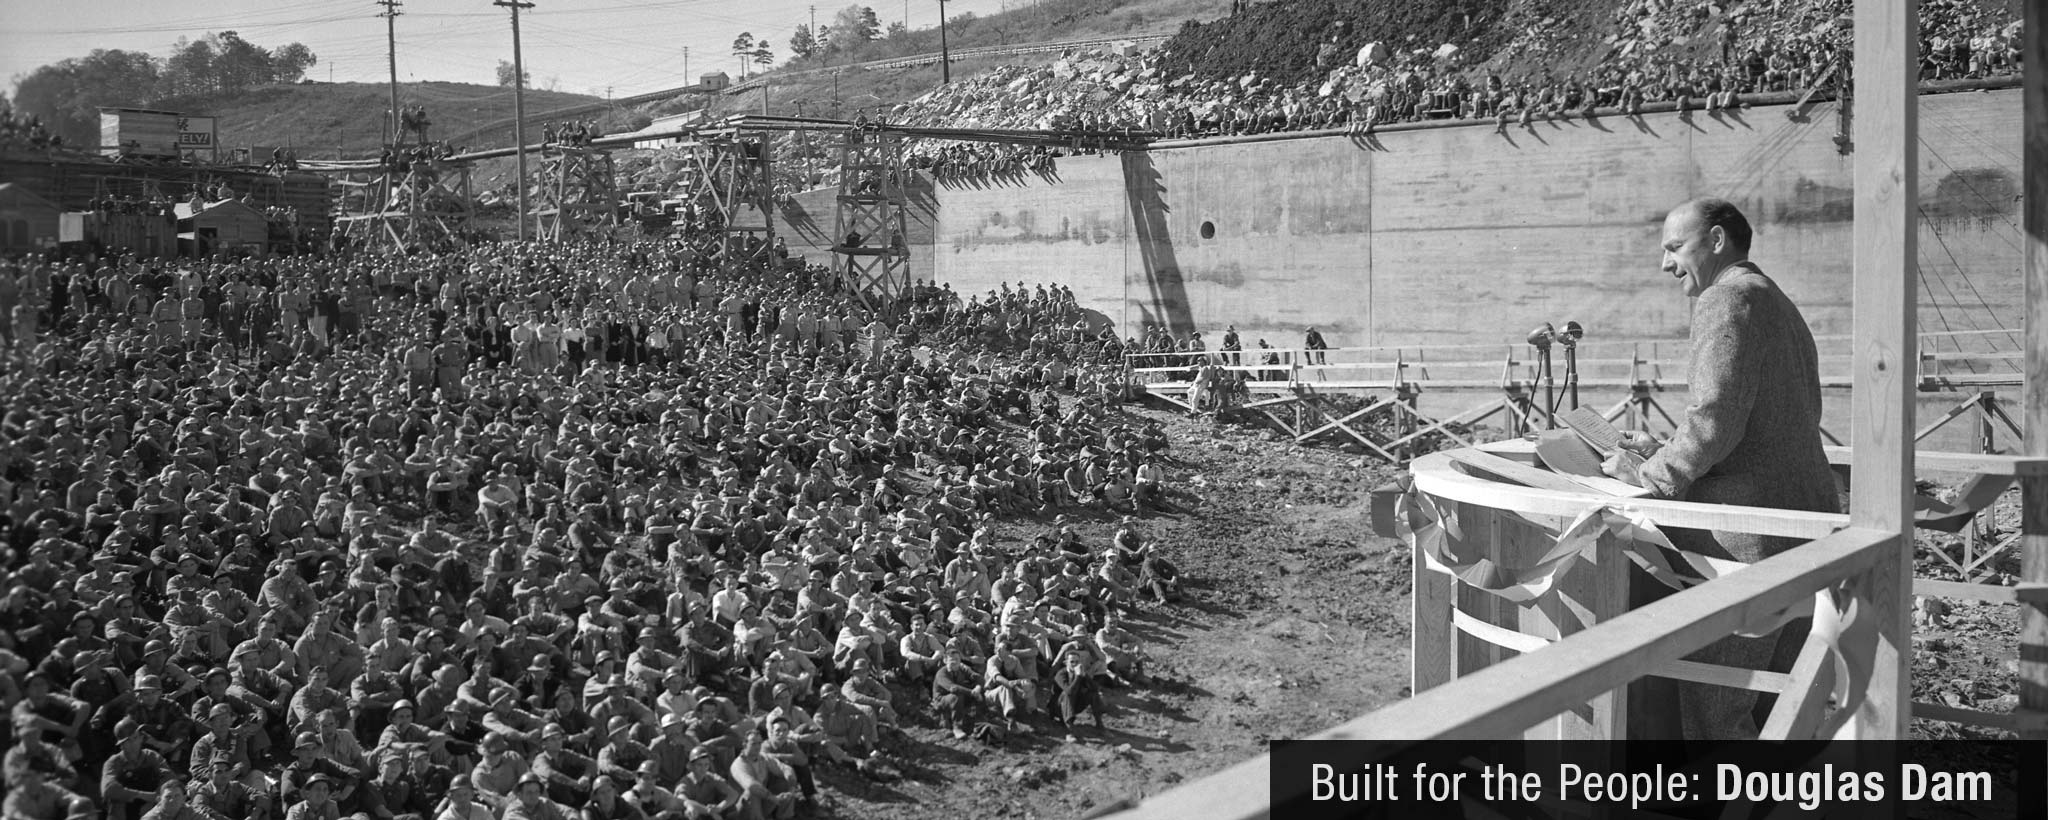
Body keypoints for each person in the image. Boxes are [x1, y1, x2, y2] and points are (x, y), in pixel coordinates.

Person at [1601, 197, 1838, 741]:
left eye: (1673, 248)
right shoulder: (1773, 298)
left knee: (1718, 708)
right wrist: (1661, 446)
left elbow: (1714, 416)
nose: (1665, 265)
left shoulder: (1723, 299)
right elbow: (1759, 421)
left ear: (1715, 241)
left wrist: (1651, 476)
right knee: (1782, 705)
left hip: (1748, 539)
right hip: (1803, 528)